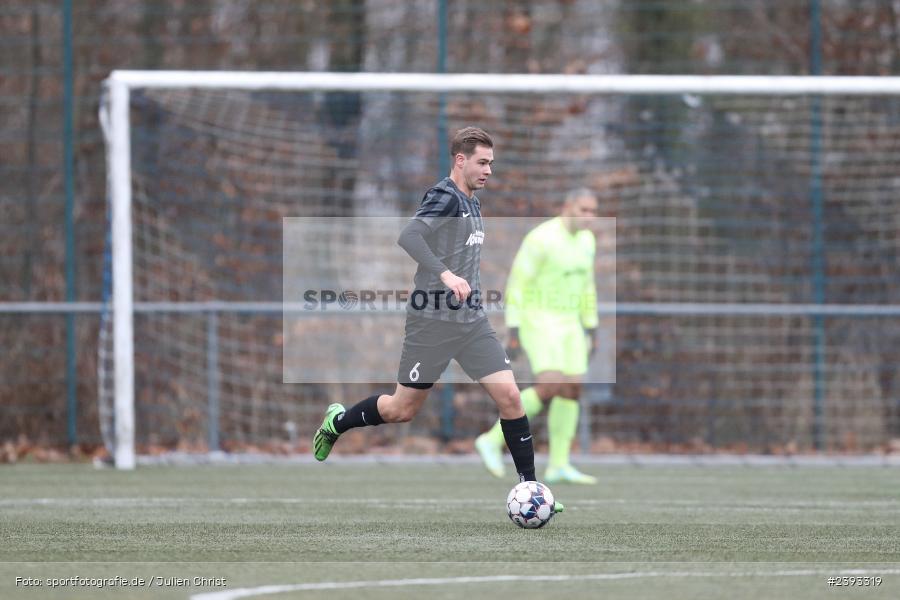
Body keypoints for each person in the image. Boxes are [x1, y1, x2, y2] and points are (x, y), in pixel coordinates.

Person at [312, 127, 562, 507]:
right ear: (460, 160)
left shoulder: (473, 204)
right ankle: (338, 422)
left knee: (511, 397)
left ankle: (532, 491)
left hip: (470, 322)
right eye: (482, 162)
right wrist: (446, 275)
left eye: (491, 164)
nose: (489, 170)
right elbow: (410, 236)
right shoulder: (444, 195)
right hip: (431, 323)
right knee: (401, 410)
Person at [474, 188, 600, 485]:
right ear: (567, 206)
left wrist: (591, 326)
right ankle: (492, 440)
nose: (589, 217)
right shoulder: (541, 238)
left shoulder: (587, 241)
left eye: (593, 211)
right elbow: (518, 283)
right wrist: (514, 327)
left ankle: (558, 465)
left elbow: (588, 286)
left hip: (570, 324)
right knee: (551, 384)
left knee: (572, 389)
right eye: (584, 210)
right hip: (539, 319)